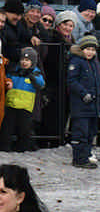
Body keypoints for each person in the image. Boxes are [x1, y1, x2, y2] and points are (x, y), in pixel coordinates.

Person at [37, 10, 75, 147]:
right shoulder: (54, 39)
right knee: (51, 114)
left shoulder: (72, 42)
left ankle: (58, 140)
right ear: (58, 25)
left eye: (71, 25)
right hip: (53, 83)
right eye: (65, 24)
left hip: (65, 85)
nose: (68, 28)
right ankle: (48, 141)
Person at [0, 47, 44, 153]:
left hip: (25, 106)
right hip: (11, 103)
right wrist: (7, 82)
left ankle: (23, 148)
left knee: (24, 129)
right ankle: (4, 147)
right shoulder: (15, 70)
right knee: (7, 128)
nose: (24, 62)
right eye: (23, 59)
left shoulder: (35, 73)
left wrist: (34, 78)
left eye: (27, 60)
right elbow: (6, 78)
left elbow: (41, 84)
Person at [67, 34, 100, 168]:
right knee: (80, 132)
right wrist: (83, 93)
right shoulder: (76, 62)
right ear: (82, 49)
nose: (90, 52)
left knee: (90, 133)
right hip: (81, 106)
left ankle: (86, 156)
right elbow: (71, 81)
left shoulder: (95, 63)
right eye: (87, 49)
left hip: (93, 106)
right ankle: (79, 159)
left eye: (93, 50)